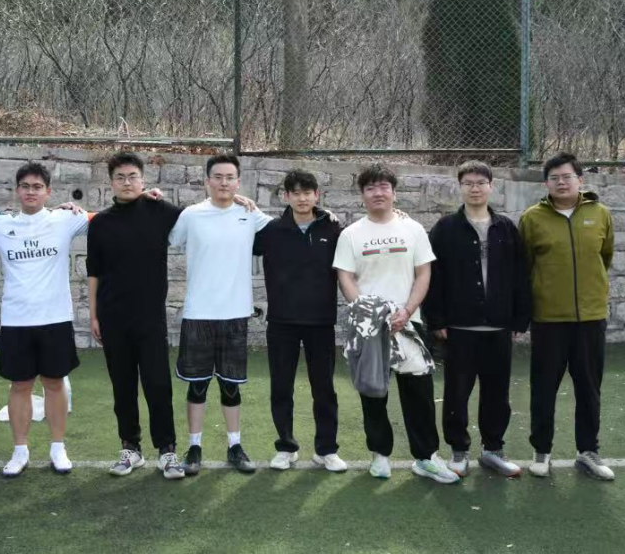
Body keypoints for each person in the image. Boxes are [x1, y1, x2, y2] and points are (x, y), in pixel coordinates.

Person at [333, 164, 459, 484]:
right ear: (362, 195)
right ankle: (380, 455)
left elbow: (423, 273)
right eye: (370, 188)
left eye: (384, 187)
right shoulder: (351, 234)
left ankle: (426, 457)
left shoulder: (412, 229)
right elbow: (345, 276)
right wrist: (369, 314)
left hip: (408, 325)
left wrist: (407, 310)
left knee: (419, 394)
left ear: (394, 192)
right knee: (373, 393)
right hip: (370, 329)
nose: (378, 193)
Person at [424, 160, 530, 478]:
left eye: (481, 183)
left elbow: (520, 275)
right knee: (457, 393)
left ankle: (493, 450)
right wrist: (436, 320)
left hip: (498, 326)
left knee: (497, 393)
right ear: (460, 187)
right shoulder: (445, 228)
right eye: (468, 183)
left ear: (491, 187)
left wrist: (519, 318)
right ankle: (458, 452)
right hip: (459, 328)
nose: (475, 188)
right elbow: (433, 276)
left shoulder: (506, 228)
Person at [0, 162, 88, 477]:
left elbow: (112, 219)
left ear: (48, 192)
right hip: (16, 320)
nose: (31, 192)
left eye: (37, 187)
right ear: (17, 190)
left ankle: (58, 447)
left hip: (55, 319)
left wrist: (145, 197)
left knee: (54, 383)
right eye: (25, 186)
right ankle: (20, 450)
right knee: (20, 385)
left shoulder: (65, 219)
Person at [170, 154, 272, 474]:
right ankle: (194, 447)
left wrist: (323, 214)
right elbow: (170, 237)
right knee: (197, 385)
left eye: (230, 177)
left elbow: (287, 228)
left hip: (235, 314)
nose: (224, 182)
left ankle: (234, 446)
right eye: (218, 177)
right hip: (198, 313)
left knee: (231, 386)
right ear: (207, 181)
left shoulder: (250, 214)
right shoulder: (191, 215)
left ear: (238, 182)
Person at [87, 152, 185, 479]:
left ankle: (167, 451)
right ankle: (131, 448)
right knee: (123, 386)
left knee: (158, 384)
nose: (127, 182)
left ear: (143, 180)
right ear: (111, 182)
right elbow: (93, 272)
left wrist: (238, 201)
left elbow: (200, 217)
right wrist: (94, 315)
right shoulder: (100, 223)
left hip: (150, 319)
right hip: (113, 317)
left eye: (132, 176)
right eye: (120, 177)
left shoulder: (160, 211)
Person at [519, 152, 615, 481]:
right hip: (548, 320)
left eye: (567, 177)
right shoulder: (532, 218)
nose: (561, 183)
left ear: (580, 180)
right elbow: (524, 266)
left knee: (589, 388)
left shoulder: (600, 214)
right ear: (546, 184)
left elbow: (605, 257)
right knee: (543, 389)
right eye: (554, 178)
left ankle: (587, 452)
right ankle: (541, 451)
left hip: (591, 319)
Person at [253, 169, 347, 473]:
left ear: (317, 195)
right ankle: (286, 447)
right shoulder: (271, 231)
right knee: (281, 387)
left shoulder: (334, 228)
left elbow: (360, 243)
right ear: (286, 196)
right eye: (296, 193)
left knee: (324, 388)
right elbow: (234, 236)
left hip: (321, 322)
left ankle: (326, 450)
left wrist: (398, 214)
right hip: (282, 323)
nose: (302, 198)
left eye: (308, 193)